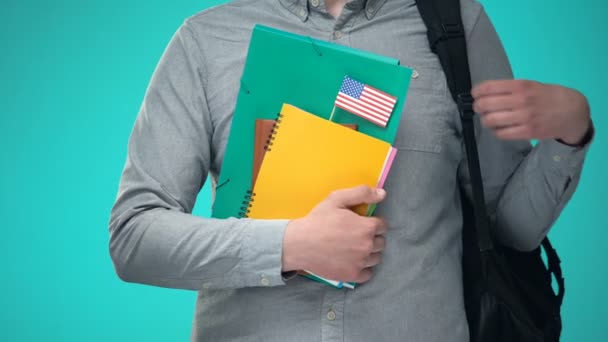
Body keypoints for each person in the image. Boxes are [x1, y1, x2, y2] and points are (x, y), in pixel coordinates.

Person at [109, 0, 593, 340]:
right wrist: (289, 246)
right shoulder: (206, 42)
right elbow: (134, 237)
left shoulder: (458, 30)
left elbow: (510, 229)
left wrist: (569, 133)